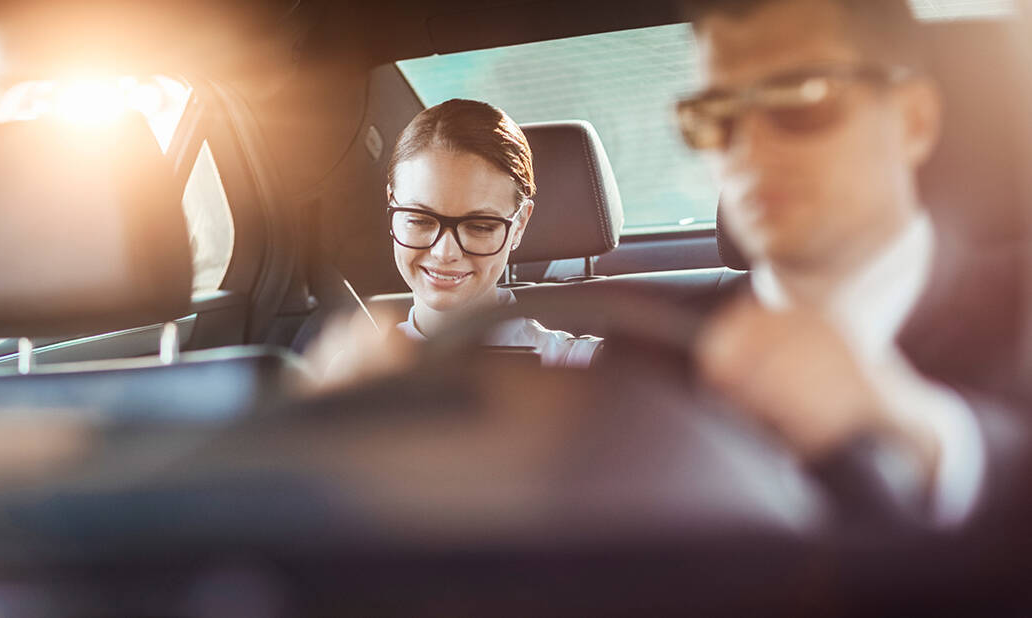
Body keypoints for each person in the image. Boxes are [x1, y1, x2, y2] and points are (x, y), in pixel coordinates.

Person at [675, 0, 1028, 527]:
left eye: (803, 97)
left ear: (913, 120)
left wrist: (922, 433)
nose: (750, 149)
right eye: (717, 116)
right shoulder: (660, 349)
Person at [305, 99, 602, 388]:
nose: (444, 252)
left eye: (480, 226)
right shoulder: (354, 374)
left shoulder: (586, 369)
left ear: (519, 224)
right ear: (391, 204)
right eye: (419, 220)